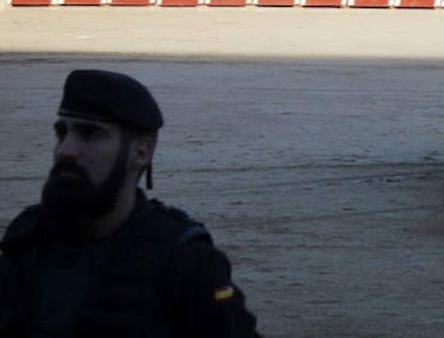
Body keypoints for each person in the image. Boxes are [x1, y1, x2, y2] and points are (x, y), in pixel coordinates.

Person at [0, 69, 259, 337]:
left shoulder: (186, 263)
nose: (66, 149)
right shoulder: (28, 238)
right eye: (62, 133)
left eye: (89, 134)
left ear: (141, 152)